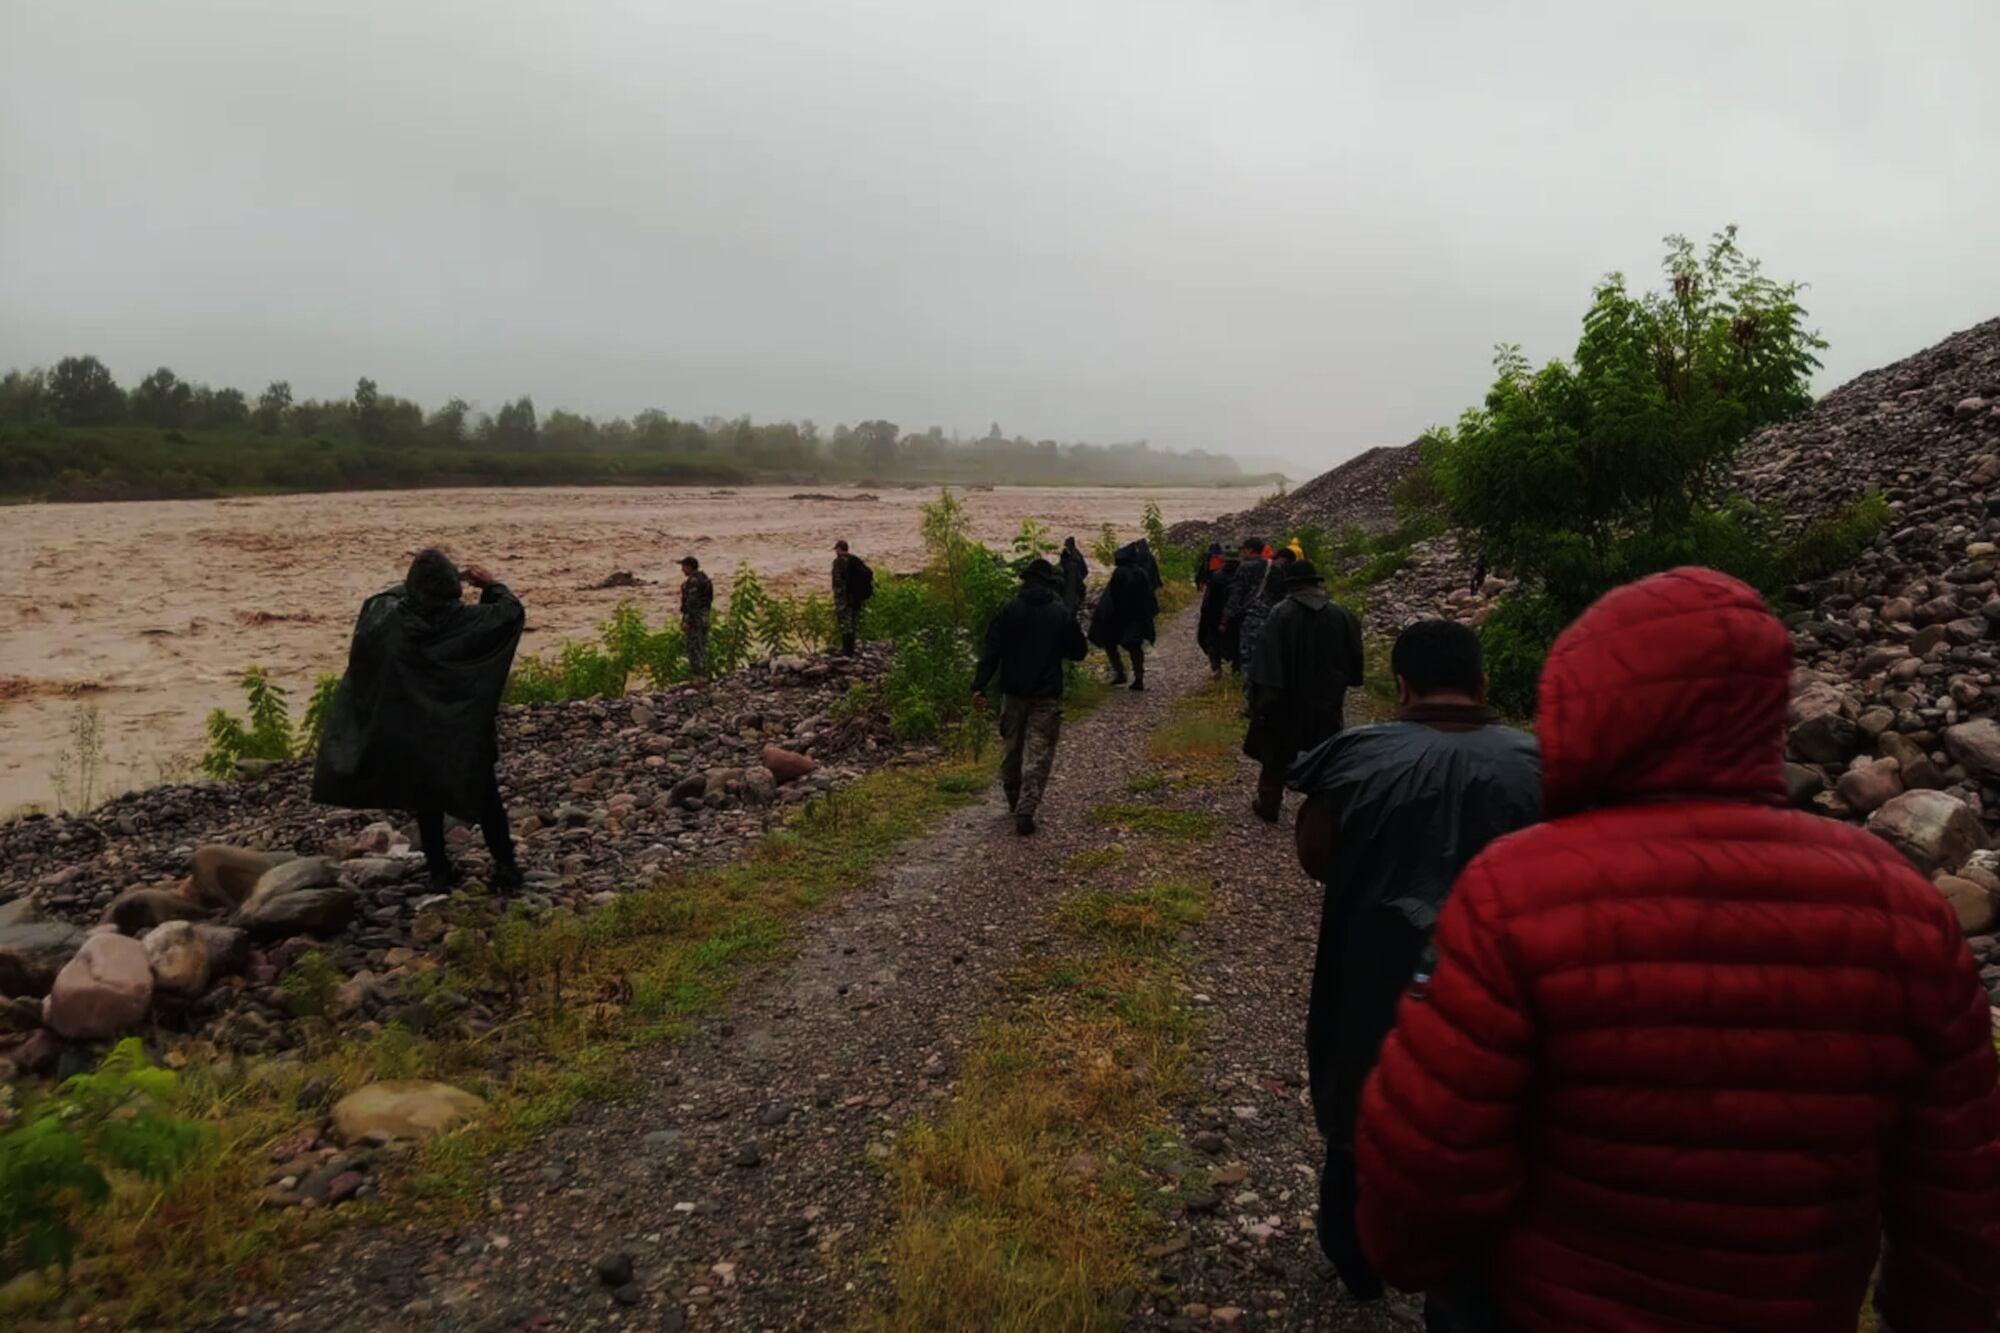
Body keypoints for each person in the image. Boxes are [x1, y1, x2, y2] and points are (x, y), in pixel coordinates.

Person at [1357, 568, 2000, 1333]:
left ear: (1588, 705)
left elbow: (1427, 1162)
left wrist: (1416, 1260)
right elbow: (1963, 1194)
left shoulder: (1516, 889)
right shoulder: (1902, 907)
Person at [1287, 620, 1539, 1328]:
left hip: (1372, 967)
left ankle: (1355, 1256)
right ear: (1483, 684)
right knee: (1500, 1119)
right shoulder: (1541, 762)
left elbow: (1315, 855)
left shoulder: (1359, 756)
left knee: (1359, 1111)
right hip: (1502, 987)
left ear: (1400, 687)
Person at [313, 548, 527, 892]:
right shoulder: (468, 622)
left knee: (427, 799)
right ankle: (505, 867)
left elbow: (375, 602)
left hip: (414, 734)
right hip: (462, 733)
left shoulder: (389, 621)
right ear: (452, 589)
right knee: (486, 798)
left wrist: (409, 587)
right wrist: (491, 584)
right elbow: (510, 612)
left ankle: (439, 872)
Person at [972, 558, 1089, 835]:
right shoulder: (1060, 613)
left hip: (1013, 693)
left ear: (1024, 581)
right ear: (1050, 583)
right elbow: (1079, 652)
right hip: (1046, 695)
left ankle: (1014, 798)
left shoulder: (1007, 610)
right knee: (1039, 752)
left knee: (1011, 749)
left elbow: (991, 653)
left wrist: (978, 685)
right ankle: (1027, 807)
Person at [1243, 559, 1362, 822]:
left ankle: (1269, 804)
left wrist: (1257, 701)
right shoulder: (1341, 614)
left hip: (1285, 701)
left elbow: (1265, 663)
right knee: (1325, 756)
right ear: (1317, 584)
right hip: (1327, 701)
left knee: (1275, 756)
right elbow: (1355, 665)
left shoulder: (1280, 613)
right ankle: (1324, 810)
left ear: (1291, 585)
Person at [1088, 543, 1159, 690]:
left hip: (1120, 618)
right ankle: (1138, 677)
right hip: (1136, 617)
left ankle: (1120, 672)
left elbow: (1114, 597)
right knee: (1134, 647)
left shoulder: (1120, 573)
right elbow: (1149, 596)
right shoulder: (1140, 572)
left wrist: (1107, 615)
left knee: (1111, 644)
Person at [1195, 550, 1239, 676]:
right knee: (1236, 642)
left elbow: (1208, 600)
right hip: (1236, 616)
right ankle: (1236, 670)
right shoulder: (1243, 576)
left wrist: (1205, 616)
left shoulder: (1217, 576)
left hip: (1216, 616)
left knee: (1213, 641)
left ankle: (1217, 668)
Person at [831, 539, 873, 656]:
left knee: (845, 623)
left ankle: (847, 651)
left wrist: (838, 598)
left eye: (836, 549)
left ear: (839, 549)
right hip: (856, 597)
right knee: (853, 622)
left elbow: (837, 583)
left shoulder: (838, 562)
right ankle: (851, 649)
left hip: (845, 599)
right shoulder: (855, 559)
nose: (835, 552)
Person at [679, 555, 714, 680]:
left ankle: (699, 676)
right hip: (704, 617)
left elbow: (692, 603)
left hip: (695, 620)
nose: (682, 570)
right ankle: (704, 675)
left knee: (694, 648)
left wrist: (687, 620)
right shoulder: (705, 579)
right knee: (702, 647)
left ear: (689, 567)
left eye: (683, 566)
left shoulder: (693, 582)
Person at [1058, 536, 1089, 616]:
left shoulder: (1075, 556)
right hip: (1069, 585)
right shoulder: (1068, 554)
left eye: (1067, 544)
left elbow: (1084, 570)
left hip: (1074, 585)